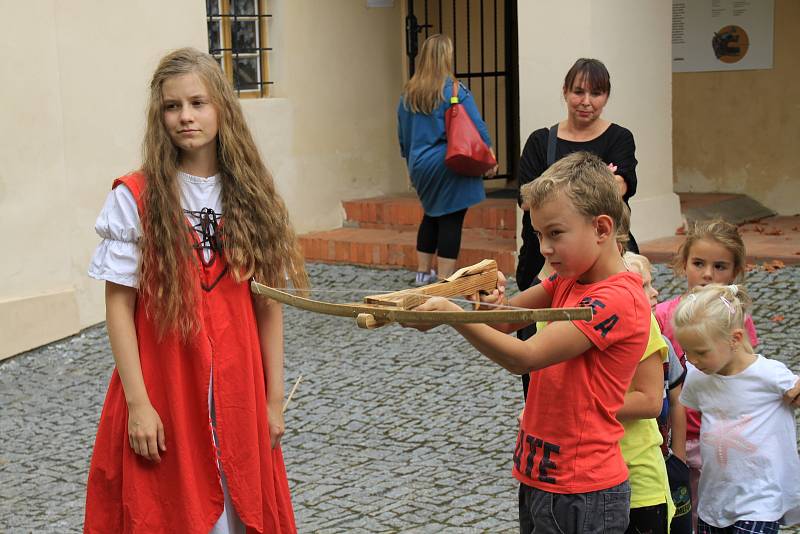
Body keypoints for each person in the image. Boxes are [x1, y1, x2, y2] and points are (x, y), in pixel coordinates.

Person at [85, 48, 307, 533]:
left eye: (197, 103)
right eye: (172, 106)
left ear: (221, 107)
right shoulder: (136, 196)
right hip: (165, 388)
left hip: (238, 390)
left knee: (240, 511)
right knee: (168, 512)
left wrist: (271, 401)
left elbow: (268, 307)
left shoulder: (251, 193)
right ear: (158, 115)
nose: (185, 116)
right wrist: (140, 405)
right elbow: (119, 308)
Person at [411, 151, 651, 532]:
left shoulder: (615, 299)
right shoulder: (570, 278)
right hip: (544, 477)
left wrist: (447, 313)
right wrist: (482, 301)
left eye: (556, 233)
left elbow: (525, 356)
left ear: (602, 228)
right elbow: (506, 321)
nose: (544, 248)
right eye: (539, 234)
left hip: (582, 491)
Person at [655, 219, 758, 530]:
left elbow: (749, 374)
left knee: (720, 514)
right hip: (678, 436)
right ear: (683, 263)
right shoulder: (663, 316)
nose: (708, 274)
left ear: (736, 271)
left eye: (720, 266)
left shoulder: (738, 320)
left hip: (724, 435)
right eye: (698, 263)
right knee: (684, 515)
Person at [674, 284, 800, 532]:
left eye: (701, 352)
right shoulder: (698, 377)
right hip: (715, 499)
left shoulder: (768, 374)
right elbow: (686, 412)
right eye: (687, 352)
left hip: (760, 499)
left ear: (735, 339)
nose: (692, 360)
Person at [517, 58, 638, 295]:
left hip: (603, 259)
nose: (586, 102)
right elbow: (526, 200)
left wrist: (552, 190)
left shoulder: (619, 138)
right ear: (565, 91)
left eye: (596, 93)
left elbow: (620, 187)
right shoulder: (540, 142)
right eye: (578, 92)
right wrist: (599, 183)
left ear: (606, 96)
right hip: (543, 258)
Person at [397, 33, 497, 284]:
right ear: (446, 57)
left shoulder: (408, 94)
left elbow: (402, 136)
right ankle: (445, 280)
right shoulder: (454, 89)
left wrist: (411, 165)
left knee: (431, 214)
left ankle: (422, 273)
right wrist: (490, 154)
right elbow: (477, 126)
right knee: (452, 219)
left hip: (419, 164)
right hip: (449, 163)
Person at [625, 252, 692, 534]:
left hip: (665, 463)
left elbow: (677, 400)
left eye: (651, 284)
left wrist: (679, 456)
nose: (654, 293)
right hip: (632, 470)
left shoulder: (661, 343)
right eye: (644, 286)